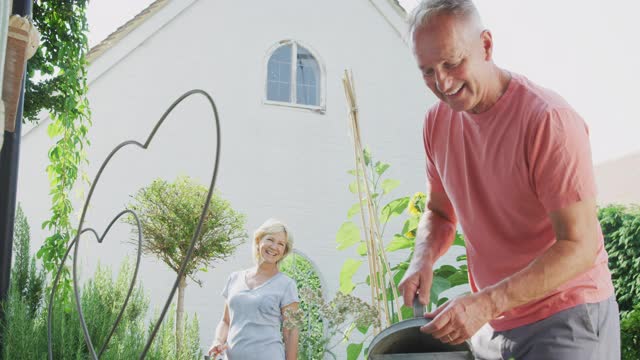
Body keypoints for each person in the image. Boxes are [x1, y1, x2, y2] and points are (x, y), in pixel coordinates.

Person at [397, 1, 620, 359]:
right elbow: (439, 213)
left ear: (486, 45)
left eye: (452, 63)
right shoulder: (437, 123)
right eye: (427, 71)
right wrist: (422, 258)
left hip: (566, 316)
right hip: (494, 325)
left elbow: (579, 245)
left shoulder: (548, 120)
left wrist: (486, 303)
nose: (442, 82)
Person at [208, 219, 299, 360]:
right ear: (258, 240)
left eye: (281, 244)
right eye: (270, 239)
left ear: (284, 251)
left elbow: (291, 333)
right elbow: (226, 321)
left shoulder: (286, 285)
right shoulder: (235, 278)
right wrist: (218, 341)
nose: (274, 247)